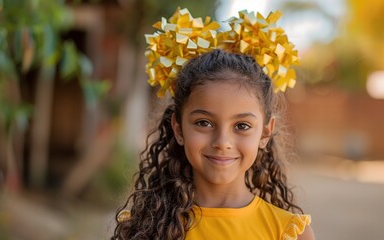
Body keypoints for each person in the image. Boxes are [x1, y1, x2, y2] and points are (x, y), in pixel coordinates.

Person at [111, 8, 314, 240]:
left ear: (265, 133)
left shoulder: (290, 232)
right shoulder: (144, 228)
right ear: (178, 129)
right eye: (204, 122)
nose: (222, 142)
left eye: (242, 126)